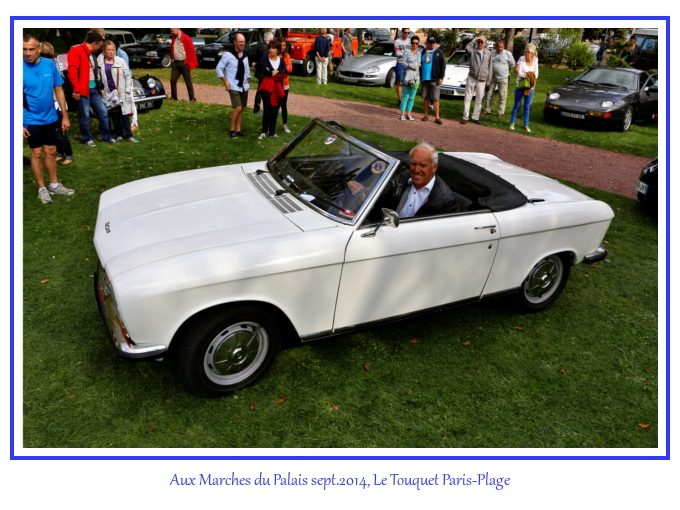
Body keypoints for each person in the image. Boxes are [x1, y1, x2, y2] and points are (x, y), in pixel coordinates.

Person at [23, 34, 75, 204]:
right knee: (36, 153)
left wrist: (65, 116)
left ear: (39, 49)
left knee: (51, 151)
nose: (28, 53)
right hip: (30, 118)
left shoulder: (49, 64)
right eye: (24, 49)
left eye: (31, 49)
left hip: (51, 116)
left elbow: (59, 90)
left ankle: (54, 185)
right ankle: (42, 189)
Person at [344, 143, 461, 218]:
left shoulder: (445, 200)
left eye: (423, 165)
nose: (416, 170)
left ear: (434, 167)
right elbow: (385, 190)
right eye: (413, 164)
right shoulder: (402, 176)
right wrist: (364, 190)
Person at [67, 31, 115, 146]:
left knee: (103, 112)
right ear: (94, 43)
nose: (100, 48)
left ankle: (107, 136)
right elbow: (72, 71)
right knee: (85, 115)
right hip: (83, 89)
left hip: (94, 88)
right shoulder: (76, 50)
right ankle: (87, 138)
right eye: (100, 45)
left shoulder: (92, 53)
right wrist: (76, 90)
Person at [39, 41, 74, 165]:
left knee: (61, 132)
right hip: (49, 103)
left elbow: (58, 87)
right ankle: (60, 153)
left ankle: (69, 155)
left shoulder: (50, 65)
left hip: (56, 102)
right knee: (54, 131)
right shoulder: (44, 64)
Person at [97, 40, 138, 143]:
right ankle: (119, 134)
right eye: (108, 50)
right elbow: (98, 76)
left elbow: (128, 76)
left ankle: (128, 135)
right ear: (104, 50)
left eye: (113, 50)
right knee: (114, 114)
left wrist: (127, 90)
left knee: (124, 113)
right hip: (108, 92)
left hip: (121, 91)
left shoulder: (120, 61)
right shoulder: (100, 61)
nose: (111, 52)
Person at [216, 32, 251, 139]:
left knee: (242, 108)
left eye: (243, 41)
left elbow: (247, 70)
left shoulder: (245, 55)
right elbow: (218, 69)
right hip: (233, 85)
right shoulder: (228, 55)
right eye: (240, 41)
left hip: (244, 86)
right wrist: (225, 81)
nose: (242, 44)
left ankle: (238, 130)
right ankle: (232, 130)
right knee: (238, 108)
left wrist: (248, 79)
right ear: (235, 42)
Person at [257, 39, 287, 139]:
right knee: (267, 111)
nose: (271, 50)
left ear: (278, 50)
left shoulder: (281, 60)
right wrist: (275, 72)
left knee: (275, 111)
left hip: (278, 88)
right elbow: (266, 72)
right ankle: (264, 131)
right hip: (267, 88)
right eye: (269, 48)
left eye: (273, 48)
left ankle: (272, 132)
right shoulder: (265, 59)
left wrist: (273, 72)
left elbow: (284, 73)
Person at [461, 36, 492, 125]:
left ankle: (475, 117)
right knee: (467, 98)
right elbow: (467, 48)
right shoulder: (473, 51)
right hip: (472, 77)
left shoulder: (488, 53)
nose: (480, 44)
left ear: (485, 43)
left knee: (479, 99)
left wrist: (488, 80)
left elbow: (490, 67)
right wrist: (474, 40)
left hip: (482, 79)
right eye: (479, 42)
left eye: (482, 42)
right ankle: (465, 117)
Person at [509, 43, 539, 132]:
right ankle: (512, 122)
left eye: (528, 52)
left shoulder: (535, 61)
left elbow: (536, 75)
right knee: (516, 105)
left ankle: (526, 124)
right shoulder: (522, 60)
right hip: (520, 86)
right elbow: (519, 73)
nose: (526, 54)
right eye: (525, 52)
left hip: (530, 88)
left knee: (527, 106)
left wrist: (525, 74)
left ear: (532, 53)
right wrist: (529, 75)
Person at [482, 39, 515, 118]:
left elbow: (512, 64)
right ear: (495, 46)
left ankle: (500, 112)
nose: (500, 48)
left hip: (503, 78)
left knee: (502, 95)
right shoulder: (491, 53)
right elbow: (487, 63)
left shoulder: (508, 54)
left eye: (501, 47)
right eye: (498, 47)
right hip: (492, 77)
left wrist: (506, 69)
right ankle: (487, 110)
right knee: (488, 94)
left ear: (504, 47)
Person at [420, 35, 445, 125]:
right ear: (427, 43)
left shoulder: (439, 52)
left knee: (435, 98)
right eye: (430, 43)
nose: (432, 44)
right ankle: (426, 115)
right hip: (424, 78)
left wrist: (441, 77)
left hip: (434, 78)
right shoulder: (423, 51)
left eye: (433, 43)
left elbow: (443, 65)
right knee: (426, 98)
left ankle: (437, 117)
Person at [169, 28, 198, 102]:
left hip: (184, 62)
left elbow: (191, 51)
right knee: (173, 80)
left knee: (187, 81)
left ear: (177, 29)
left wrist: (186, 61)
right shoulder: (174, 38)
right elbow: (172, 49)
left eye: (172, 31)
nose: (171, 32)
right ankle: (174, 97)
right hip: (175, 62)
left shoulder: (186, 38)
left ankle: (192, 98)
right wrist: (172, 58)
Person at [399, 36, 421, 121]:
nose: (415, 45)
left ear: (418, 44)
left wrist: (417, 65)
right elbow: (403, 62)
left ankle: (409, 113)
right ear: (411, 43)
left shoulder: (419, 53)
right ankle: (402, 114)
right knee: (405, 96)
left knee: (412, 97)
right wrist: (410, 65)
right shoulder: (407, 51)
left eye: (416, 43)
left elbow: (419, 64)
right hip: (407, 75)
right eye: (413, 43)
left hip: (416, 76)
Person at [252, 31, 273, 115]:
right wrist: (257, 64)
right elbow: (263, 61)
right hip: (263, 72)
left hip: (261, 71)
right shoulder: (265, 48)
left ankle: (262, 107)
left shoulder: (260, 46)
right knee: (261, 91)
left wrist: (256, 64)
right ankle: (256, 108)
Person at [279, 38, 294, 134]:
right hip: (276, 84)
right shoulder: (273, 55)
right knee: (274, 105)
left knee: (283, 105)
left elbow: (290, 69)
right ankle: (270, 125)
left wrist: (281, 68)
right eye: (281, 45)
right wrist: (284, 68)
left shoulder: (287, 56)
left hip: (285, 84)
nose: (282, 47)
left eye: (284, 45)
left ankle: (285, 124)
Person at [394, 28, 412, 107]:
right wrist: (406, 52)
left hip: (408, 64)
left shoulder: (410, 41)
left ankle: (406, 99)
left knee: (408, 83)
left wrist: (403, 52)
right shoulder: (397, 41)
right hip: (400, 63)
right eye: (405, 32)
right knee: (399, 82)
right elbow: (397, 53)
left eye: (408, 33)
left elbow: (412, 52)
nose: (407, 34)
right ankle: (399, 100)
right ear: (402, 32)